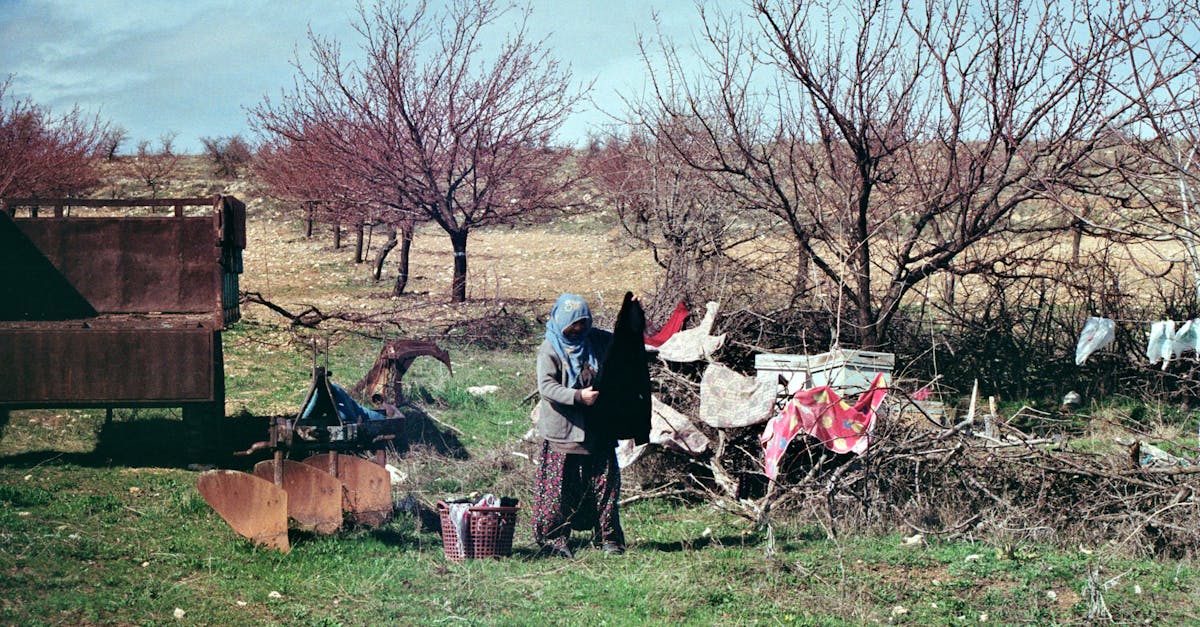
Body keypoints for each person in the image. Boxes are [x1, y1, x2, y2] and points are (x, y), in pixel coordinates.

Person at [532, 293, 626, 558]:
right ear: (562, 322)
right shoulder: (550, 348)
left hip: (598, 428)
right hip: (564, 430)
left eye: (583, 323)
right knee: (559, 488)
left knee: (605, 484)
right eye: (574, 324)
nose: (579, 329)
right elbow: (547, 386)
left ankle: (609, 538)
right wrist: (577, 397)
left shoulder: (597, 340)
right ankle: (554, 539)